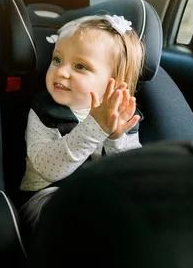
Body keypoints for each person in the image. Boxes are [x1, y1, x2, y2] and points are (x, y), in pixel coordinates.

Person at [18, 14, 145, 230]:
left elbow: (131, 175)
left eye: (80, 66)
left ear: (114, 82)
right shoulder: (44, 111)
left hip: (101, 199)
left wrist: (116, 138)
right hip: (47, 198)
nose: (61, 72)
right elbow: (46, 168)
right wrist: (94, 129)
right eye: (57, 60)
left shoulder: (122, 116)